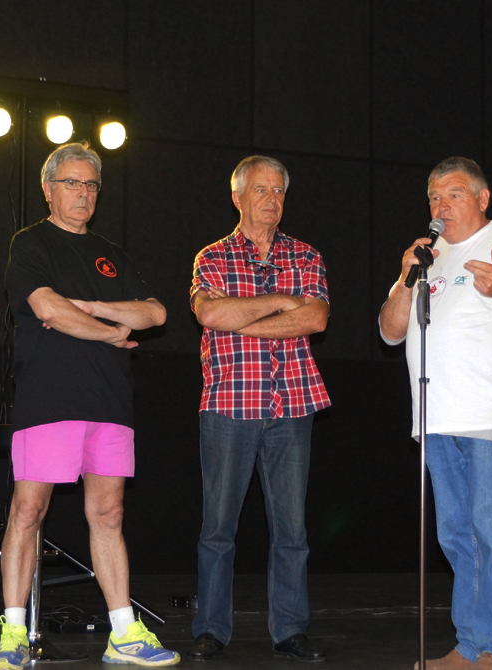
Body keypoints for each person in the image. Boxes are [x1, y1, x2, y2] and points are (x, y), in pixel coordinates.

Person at [0, 143, 175, 670]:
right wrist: (112, 334)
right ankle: (13, 633)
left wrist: (92, 307)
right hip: (50, 399)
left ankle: (123, 633)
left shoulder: (111, 253)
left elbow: (156, 313)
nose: (82, 193)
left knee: (109, 512)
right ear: (48, 189)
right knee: (29, 511)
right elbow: (46, 307)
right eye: (71, 183)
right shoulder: (30, 244)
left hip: (110, 402)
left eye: (90, 185)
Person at [379, 157, 492, 670]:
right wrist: (405, 279)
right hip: (435, 420)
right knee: (456, 537)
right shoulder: (424, 258)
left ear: (483, 199)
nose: (441, 206)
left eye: (454, 194)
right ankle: (469, 647)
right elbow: (390, 332)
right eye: (435, 197)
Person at [187, 156, 330, 662]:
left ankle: (290, 630)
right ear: (238, 197)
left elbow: (315, 319)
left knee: (292, 531)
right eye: (261, 190)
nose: (271, 199)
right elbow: (210, 312)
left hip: (293, 402)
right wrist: (281, 302)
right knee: (218, 527)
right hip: (229, 402)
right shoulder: (213, 256)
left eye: (278, 191)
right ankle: (211, 629)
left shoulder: (307, 255)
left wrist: (243, 316)